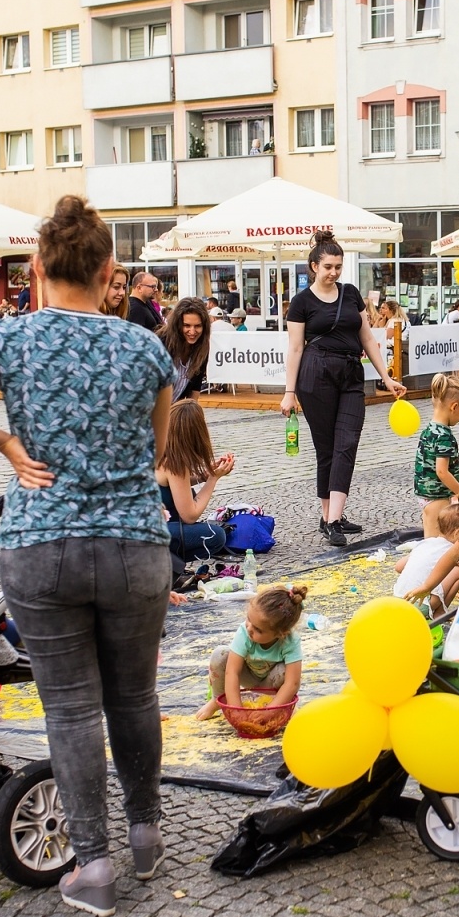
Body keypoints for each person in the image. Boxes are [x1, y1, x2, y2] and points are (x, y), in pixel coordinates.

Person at [0, 194, 175, 917]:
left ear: (38, 267)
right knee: (136, 695)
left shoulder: (10, 338)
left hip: (42, 543)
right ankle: (146, 833)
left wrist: (5, 443)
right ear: (109, 271)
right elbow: (158, 449)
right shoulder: (145, 346)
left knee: (73, 710)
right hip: (134, 545)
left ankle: (93, 864)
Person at [280, 231, 408, 547]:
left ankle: (334, 518)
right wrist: (289, 391)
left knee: (347, 442)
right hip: (315, 374)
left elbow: (367, 338)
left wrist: (387, 376)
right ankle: (329, 518)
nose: (334, 272)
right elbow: (295, 348)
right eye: (328, 267)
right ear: (314, 266)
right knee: (326, 449)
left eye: (338, 266)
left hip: (351, 373)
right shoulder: (301, 303)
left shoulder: (350, 294)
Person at [195, 584, 306, 721]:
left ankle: (272, 703)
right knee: (221, 654)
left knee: (284, 671)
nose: (249, 628)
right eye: (248, 619)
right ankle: (218, 700)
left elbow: (292, 683)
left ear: (281, 634)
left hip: (270, 684)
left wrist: (269, 712)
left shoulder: (290, 641)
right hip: (247, 676)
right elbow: (232, 672)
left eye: (258, 629)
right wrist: (236, 710)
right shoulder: (245, 632)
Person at [156, 399, 233, 596]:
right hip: (156, 531)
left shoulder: (160, 451)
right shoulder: (174, 461)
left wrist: (204, 475)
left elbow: (173, 485)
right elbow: (190, 514)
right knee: (216, 536)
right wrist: (213, 479)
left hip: (143, 528)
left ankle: (169, 565)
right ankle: (167, 567)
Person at [414, 373, 459, 538]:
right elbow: (442, 472)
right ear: (454, 407)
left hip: (425, 494)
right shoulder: (445, 436)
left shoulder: (429, 430)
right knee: (437, 546)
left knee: (430, 542)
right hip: (438, 497)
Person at [393, 503, 459, 620]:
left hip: (398, 602)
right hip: (420, 605)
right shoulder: (454, 550)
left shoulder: (424, 543)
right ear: (457, 533)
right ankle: (440, 613)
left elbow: (399, 567)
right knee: (458, 572)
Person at [158, 296, 210, 401]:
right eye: (187, 326)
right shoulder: (161, 343)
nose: (192, 331)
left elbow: (196, 386)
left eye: (198, 326)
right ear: (177, 324)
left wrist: (192, 413)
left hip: (176, 408)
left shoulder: (202, 347)